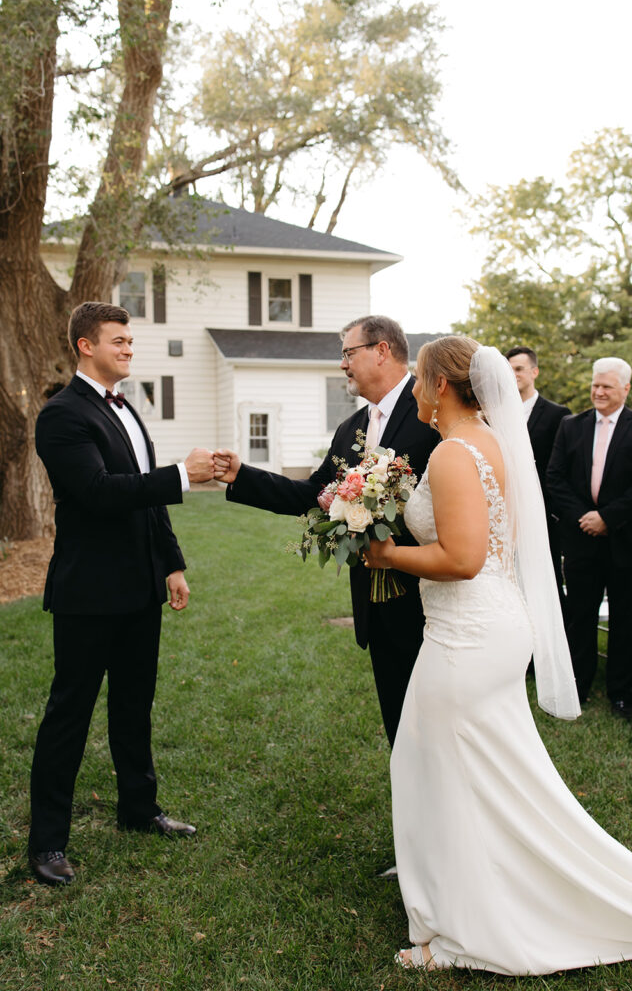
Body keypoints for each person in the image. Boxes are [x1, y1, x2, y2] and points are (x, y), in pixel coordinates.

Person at [364, 336, 632, 973]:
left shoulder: (457, 454)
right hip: (484, 627)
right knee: (464, 770)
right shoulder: (487, 442)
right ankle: (473, 896)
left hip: (468, 634)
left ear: (443, 386)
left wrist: (384, 554)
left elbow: (462, 557)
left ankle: (466, 926)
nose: (418, 392)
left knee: (439, 770)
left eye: (423, 380)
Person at [29, 301, 215, 886]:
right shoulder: (60, 416)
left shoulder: (129, 411)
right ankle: (47, 843)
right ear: (86, 345)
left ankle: (139, 809)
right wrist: (184, 475)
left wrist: (172, 565)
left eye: (131, 342)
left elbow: (144, 498)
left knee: (133, 707)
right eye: (118, 341)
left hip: (140, 590)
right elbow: (99, 492)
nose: (129, 349)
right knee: (69, 714)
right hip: (88, 593)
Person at [213, 316, 440, 749]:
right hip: (374, 598)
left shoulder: (430, 411)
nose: (342, 365)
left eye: (347, 353)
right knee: (400, 721)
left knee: (437, 721)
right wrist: (242, 475)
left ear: (382, 351)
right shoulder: (349, 428)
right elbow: (313, 494)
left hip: (430, 597)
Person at [546, 358, 632, 719]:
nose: (598, 392)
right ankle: (578, 684)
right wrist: (585, 518)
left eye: (607, 386)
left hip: (625, 540)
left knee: (625, 619)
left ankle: (620, 693)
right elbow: (555, 477)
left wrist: (608, 518)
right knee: (580, 616)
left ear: (626, 389)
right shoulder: (571, 425)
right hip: (581, 539)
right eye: (595, 385)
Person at [505, 346, 569, 606]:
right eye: (509, 370)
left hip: (543, 517)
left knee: (546, 587)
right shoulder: (493, 412)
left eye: (519, 369)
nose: (514, 374)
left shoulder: (558, 415)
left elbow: (560, 469)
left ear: (535, 371)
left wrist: (552, 513)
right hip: (505, 516)